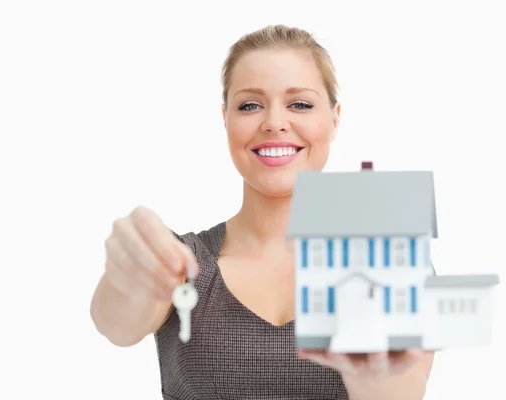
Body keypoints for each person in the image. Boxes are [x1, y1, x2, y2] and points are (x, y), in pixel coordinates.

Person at [90, 24, 435, 400]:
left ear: (335, 119)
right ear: (226, 119)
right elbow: (116, 325)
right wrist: (126, 273)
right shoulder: (179, 260)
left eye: (300, 104)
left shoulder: (391, 266)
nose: (274, 122)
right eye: (250, 105)